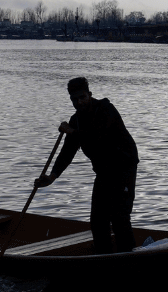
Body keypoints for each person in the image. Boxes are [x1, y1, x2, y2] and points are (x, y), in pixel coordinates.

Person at [35, 77, 140, 254]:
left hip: (123, 167)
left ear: (90, 94)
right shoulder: (76, 120)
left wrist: (72, 132)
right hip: (103, 172)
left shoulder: (106, 109)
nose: (79, 102)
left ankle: (129, 255)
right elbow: (67, 152)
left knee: (119, 217)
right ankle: (103, 255)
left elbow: (98, 135)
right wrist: (52, 177)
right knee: (98, 220)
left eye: (82, 97)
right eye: (74, 99)